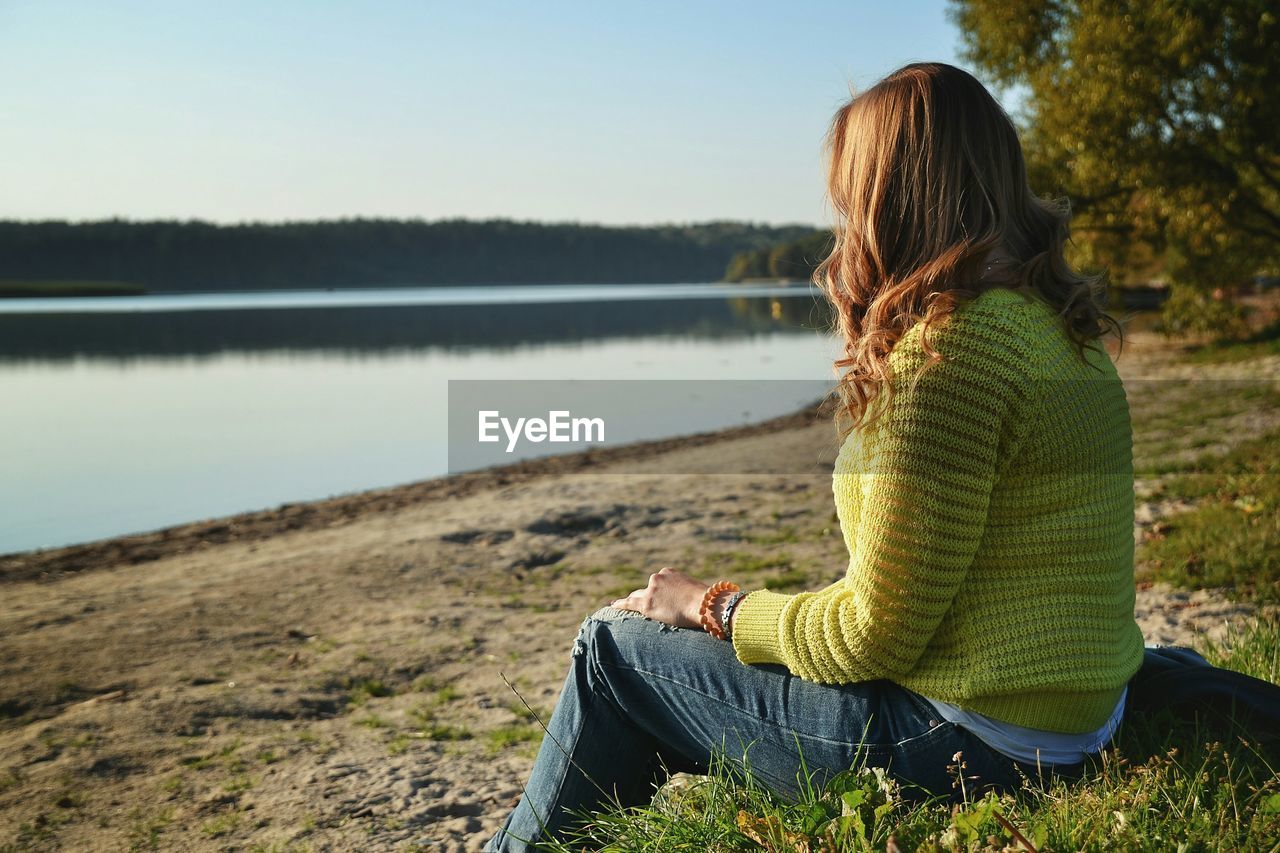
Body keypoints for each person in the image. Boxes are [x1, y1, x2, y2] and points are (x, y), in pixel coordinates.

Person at [483, 61, 1145, 852]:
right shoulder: (1062, 334)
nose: (843, 224)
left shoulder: (952, 360)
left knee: (613, 654)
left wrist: (715, 607)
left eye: (848, 198)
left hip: (971, 747)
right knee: (665, 675)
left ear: (885, 198)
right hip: (1078, 719)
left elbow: (872, 637)